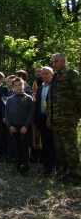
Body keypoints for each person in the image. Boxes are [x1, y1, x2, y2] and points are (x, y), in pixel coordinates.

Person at [47, 53, 81, 183]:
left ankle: (75, 176)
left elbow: (79, 94)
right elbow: (51, 99)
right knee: (60, 149)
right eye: (52, 62)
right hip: (56, 119)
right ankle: (63, 175)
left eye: (56, 61)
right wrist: (49, 116)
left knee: (70, 148)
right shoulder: (55, 76)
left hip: (68, 118)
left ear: (64, 61)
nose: (54, 64)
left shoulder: (71, 74)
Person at [5, 77, 34, 176]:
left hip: (25, 127)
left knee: (24, 148)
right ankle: (17, 166)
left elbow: (31, 114)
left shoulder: (28, 98)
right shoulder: (10, 100)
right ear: (12, 87)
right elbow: (7, 115)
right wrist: (9, 126)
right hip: (14, 127)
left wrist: (26, 126)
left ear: (24, 85)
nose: (18, 87)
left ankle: (25, 167)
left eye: (20, 85)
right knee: (15, 147)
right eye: (16, 85)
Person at [34, 66, 56, 175]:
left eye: (46, 73)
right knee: (45, 144)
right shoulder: (40, 88)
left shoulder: (55, 87)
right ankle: (46, 168)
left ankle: (53, 167)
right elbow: (39, 105)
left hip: (53, 119)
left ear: (52, 74)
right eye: (42, 74)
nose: (44, 75)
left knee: (53, 144)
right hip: (42, 119)